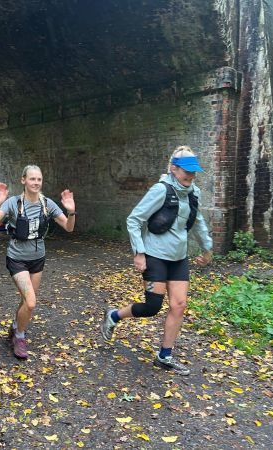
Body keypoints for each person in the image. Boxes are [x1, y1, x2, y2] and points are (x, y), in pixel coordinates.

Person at [100, 146, 213, 376]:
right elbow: (134, 219)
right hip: (155, 255)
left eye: (194, 172)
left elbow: (198, 220)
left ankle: (165, 355)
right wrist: (139, 252)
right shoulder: (160, 190)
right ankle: (113, 316)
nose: (191, 176)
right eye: (186, 171)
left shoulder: (194, 193)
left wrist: (207, 247)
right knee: (152, 307)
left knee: (179, 305)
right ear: (174, 168)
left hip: (178, 257)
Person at [0, 164, 76, 359]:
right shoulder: (13, 203)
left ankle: (15, 327)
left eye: (39, 179)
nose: (36, 182)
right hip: (17, 258)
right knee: (31, 302)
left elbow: (69, 228)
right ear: (23, 180)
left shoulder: (47, 204)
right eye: (32, 179)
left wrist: (71, 212)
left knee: (25, 302)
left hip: (37, 259)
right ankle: (19, 336)